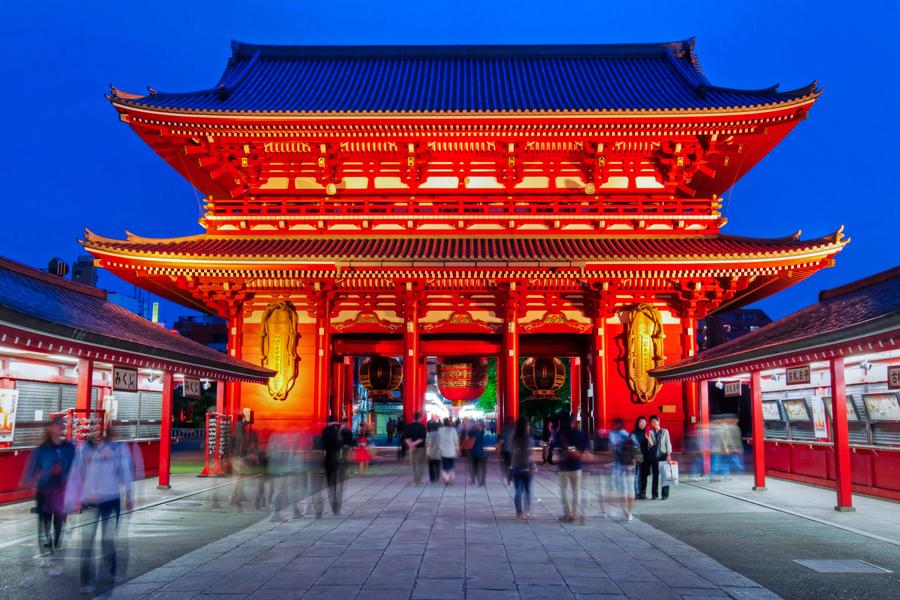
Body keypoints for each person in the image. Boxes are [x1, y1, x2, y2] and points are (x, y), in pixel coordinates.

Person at [64, 429, 135, 594]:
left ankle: (110, 570)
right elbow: (75, 474)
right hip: (90, 500)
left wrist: (129, 495)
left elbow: (125, 471)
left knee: (108, 539)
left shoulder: (118, 449)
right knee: (87, 542)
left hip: (111, 499)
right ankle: (86, 579)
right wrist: (72, 499)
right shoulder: (83, 450)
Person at [23, 416, 75, 576]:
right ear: (50, 428)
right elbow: (32, 467)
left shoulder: (69, 448)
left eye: (62, 426)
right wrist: (28, 480)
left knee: (58, 524)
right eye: (58, 425)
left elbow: (76, 468)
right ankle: (47, 551)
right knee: (44, 524)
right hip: (45, 490)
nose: (61, 428)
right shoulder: (42, 449)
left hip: (61, 489)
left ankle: (55, 553)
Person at [557, 414, 588, 523]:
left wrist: (568, 449)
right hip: (576, 466)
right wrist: (576, 451)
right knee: (576, 491)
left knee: (564, 491)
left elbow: (557, 446)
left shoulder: (562, 434)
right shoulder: (580, 434)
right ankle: (576, 514)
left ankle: (567, 514)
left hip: (564, 466)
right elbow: (584, 448)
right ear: (574, 422)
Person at [608, 418, 637, 521]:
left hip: (619, 466)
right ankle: (629, 513)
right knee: (631, 491)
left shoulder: (612, 436)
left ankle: (625, 511)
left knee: (623, 491)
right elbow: (636, 452)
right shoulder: (629, 435)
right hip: (630, 466)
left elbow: (611, 451)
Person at [315, 421, 343, 517]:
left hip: (323, 460)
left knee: (320, 486)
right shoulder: (335, 434)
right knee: (333, 485)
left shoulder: (324, 433)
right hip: (334, 460)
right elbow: (339, 445)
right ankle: (335, 506)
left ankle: (318, 510)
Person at [509, 417, 534, 520]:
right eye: (527, 425)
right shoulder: (527, 439)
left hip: (515, 467)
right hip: (526, 468)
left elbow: (512, 451)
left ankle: (519, 513)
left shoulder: (514, 438)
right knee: (527, 491)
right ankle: (526, 511)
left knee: (518, 491)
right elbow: (529, 454)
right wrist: (533, 466)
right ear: (525, 426)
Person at [646, 415, 673, 500]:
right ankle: (654, 495)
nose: (654, 423)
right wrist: (649, 440)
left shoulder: (665, 431)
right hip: (654, 456)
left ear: (658, 421)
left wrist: (669, 454)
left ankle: (665, 495)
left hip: (664, 455)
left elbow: (668, 443)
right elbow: (650, 446)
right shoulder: (650, 432)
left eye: (655, 421)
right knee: (655, 476)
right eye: (652, 422)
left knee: (665, 475)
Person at [405, 412, 427, 485]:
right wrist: (414, 444)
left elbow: (406, 438)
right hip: (420, 448)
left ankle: (414, 479)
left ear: (414, 418)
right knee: (420, 463)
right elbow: (422, 439)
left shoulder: (408, 426)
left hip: (411, 448)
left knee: (413, 464)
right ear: (420, 418)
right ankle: (419, 480)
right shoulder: (422, 427)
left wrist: (411, 445)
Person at [438, 417, 460, 485]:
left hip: (443, 450)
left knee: (444, 465)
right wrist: (458, 449)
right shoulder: (453, 430)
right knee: (451, 465)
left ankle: (446, 478)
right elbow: (456, 440)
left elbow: (438, 440)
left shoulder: (440, 430)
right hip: (451, 450)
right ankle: (451, 478)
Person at [632, 416, 649, 499]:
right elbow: (634, 446)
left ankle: (643, 492)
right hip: (638, 456)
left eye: (644, 422)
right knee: (638, 474)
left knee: (644, 475)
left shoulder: (646, 433)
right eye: (640, 422)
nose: (642, 424)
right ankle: (637, 493)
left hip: (646, 457)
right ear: (637, 423)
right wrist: (635, 457)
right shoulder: (634, 433)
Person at [469, 420, 486, 486]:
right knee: (481, 467)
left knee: (475, 467)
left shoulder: (472, 432)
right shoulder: (482, 432)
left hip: (475, 451)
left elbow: (471, 441)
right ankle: (482, 481)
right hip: (481, 451)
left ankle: (475, 480)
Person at [497, 417, 514, 484]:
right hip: (512, 450)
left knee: (506, 464)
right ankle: (510, 479)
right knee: (510, 465)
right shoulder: (515, 429)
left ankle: (507, 477)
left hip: (506, 450)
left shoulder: (505, 429)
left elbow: (502, 440)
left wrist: (498, 446)